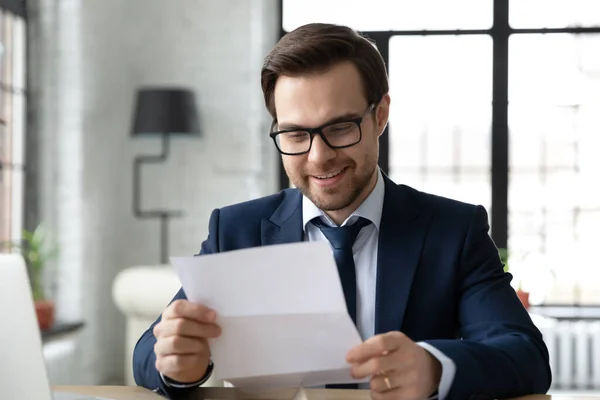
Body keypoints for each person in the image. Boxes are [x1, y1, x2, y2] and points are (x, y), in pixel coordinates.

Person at [133, 23, 552, 400]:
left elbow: (525, 356)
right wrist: (180, 366)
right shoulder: (236, 230)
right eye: (295, 133)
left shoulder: (453, 231)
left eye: (339, 129)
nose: (318, 158)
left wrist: (432, 367)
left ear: (380, 115)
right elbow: (148, 356)